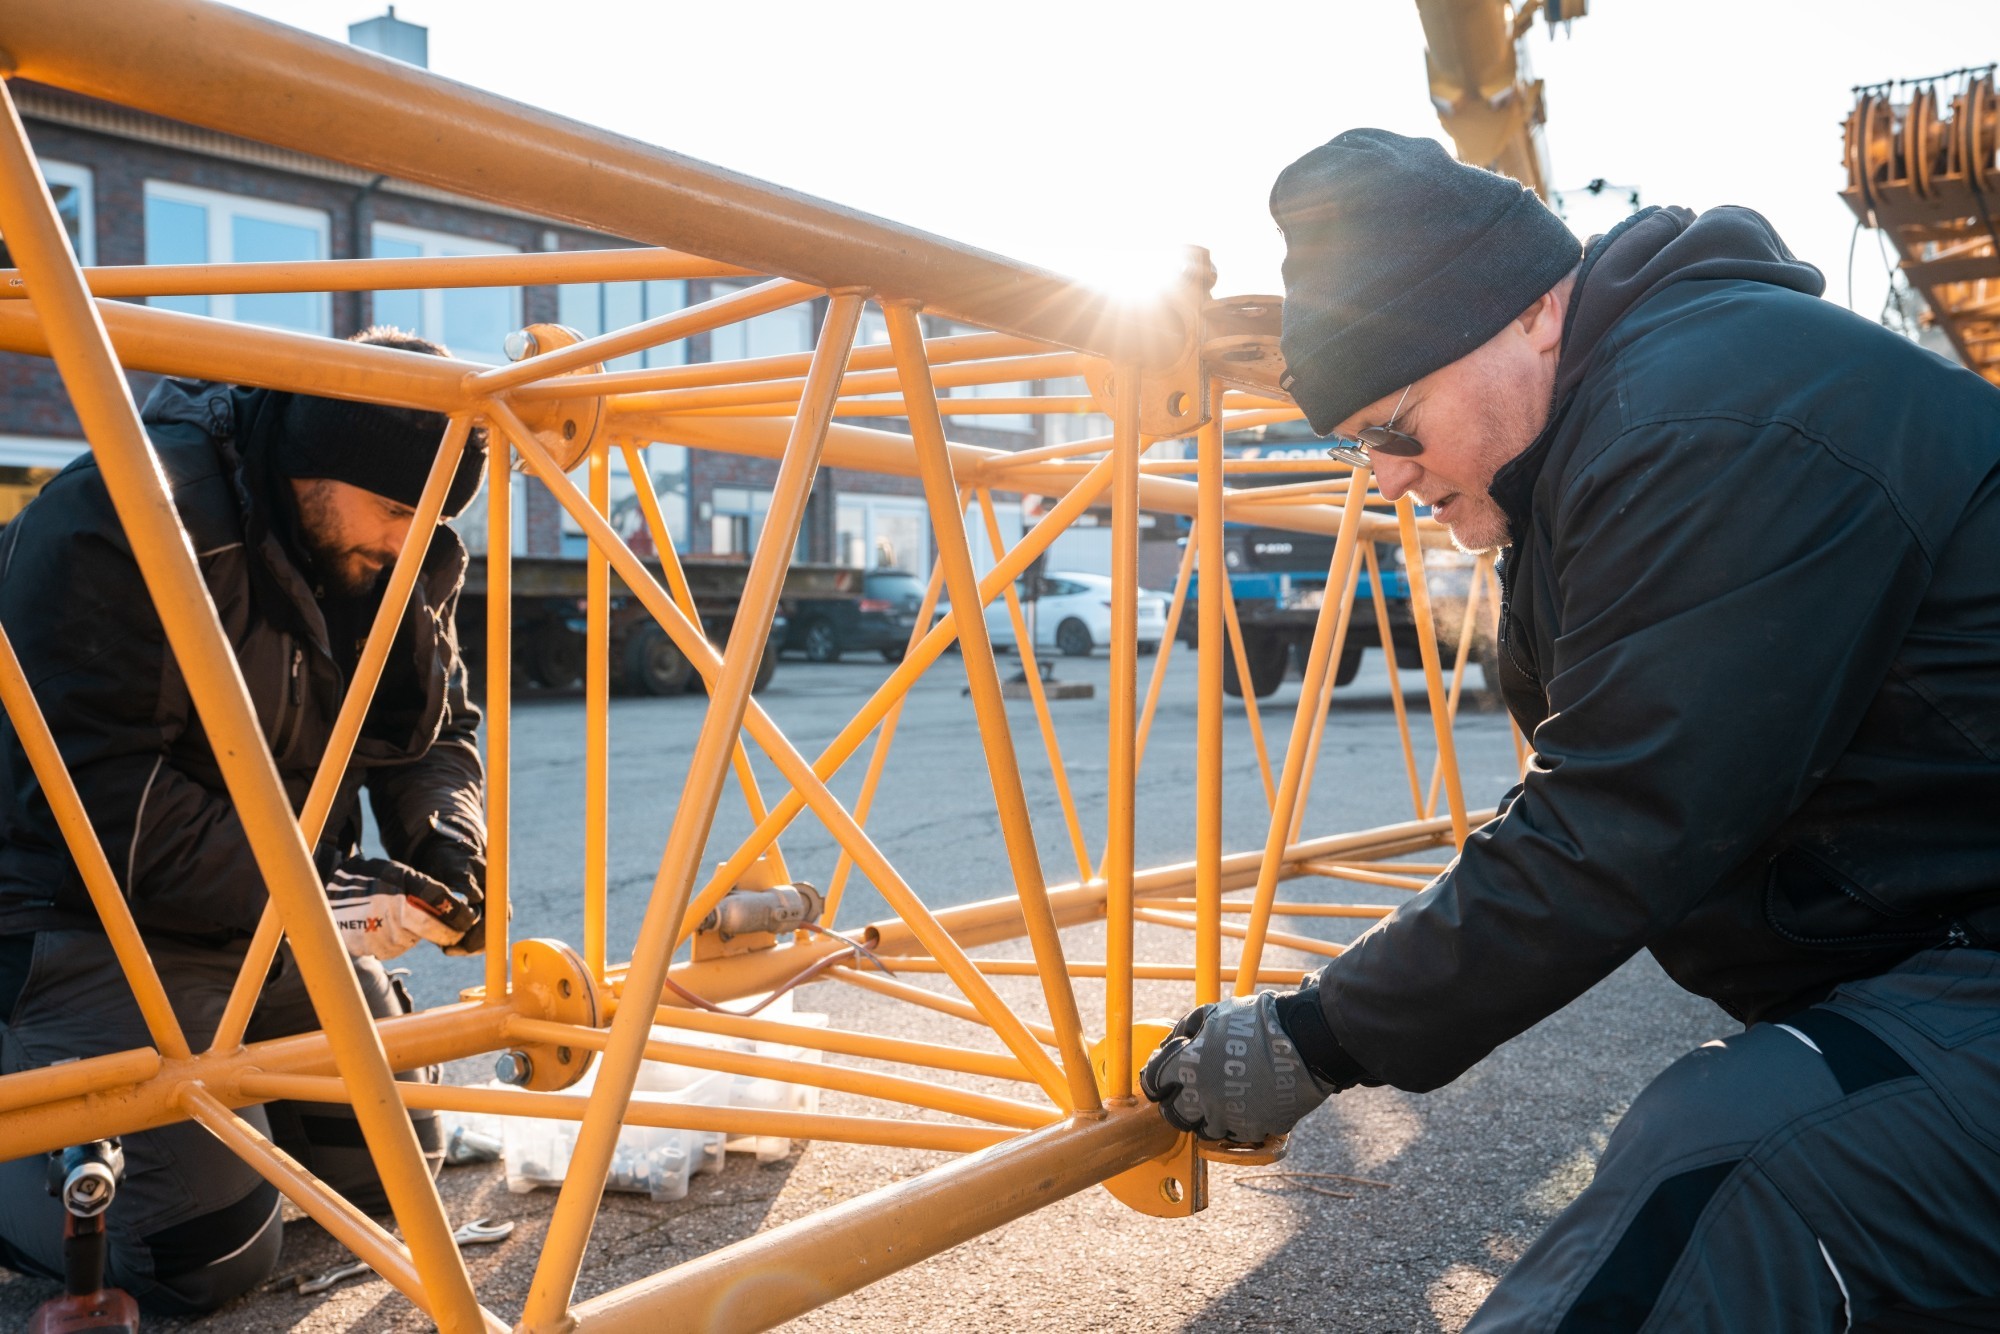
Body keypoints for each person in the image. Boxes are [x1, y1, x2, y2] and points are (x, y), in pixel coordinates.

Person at [1141, 129, 2000, 1330]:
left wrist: (1316, 1033)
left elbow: (1619, 814)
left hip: (1968, 964)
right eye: (1353, 446)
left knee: (1728, 1168)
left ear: (1535, 312)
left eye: (1392, 423)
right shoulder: (1630, 413)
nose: (1383, 478)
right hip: (1941, 944)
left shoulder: (1705, 421)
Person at [0, 327, 490, 1313]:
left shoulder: (398, 550)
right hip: (90, 919)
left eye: (430, 515)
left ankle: (208, 1110)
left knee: (394, 1175)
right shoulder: (127, 512)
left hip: (270, 917)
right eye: (396, 507)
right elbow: (94, 794)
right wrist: (311, 897)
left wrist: (446, 841)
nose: (409, 538)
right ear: (315, 461)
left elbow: (438, 733)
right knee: (203, 1259)